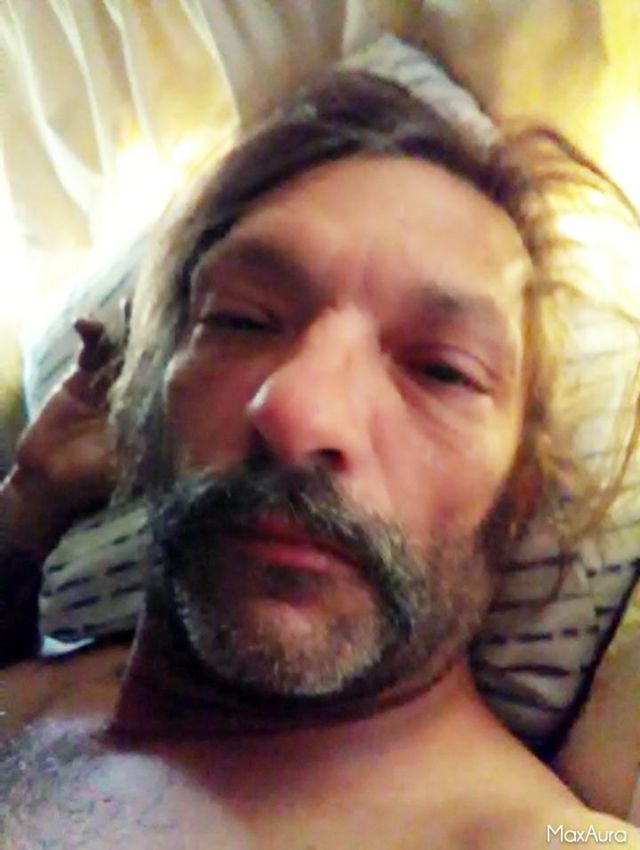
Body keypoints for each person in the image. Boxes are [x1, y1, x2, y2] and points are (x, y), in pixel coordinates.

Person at [2, 60, 639, 848]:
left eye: (442, 370)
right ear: (151, 399)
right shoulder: (42, 685)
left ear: (520, 493)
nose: (298, 411)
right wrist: (28, 504)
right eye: (240, 320)